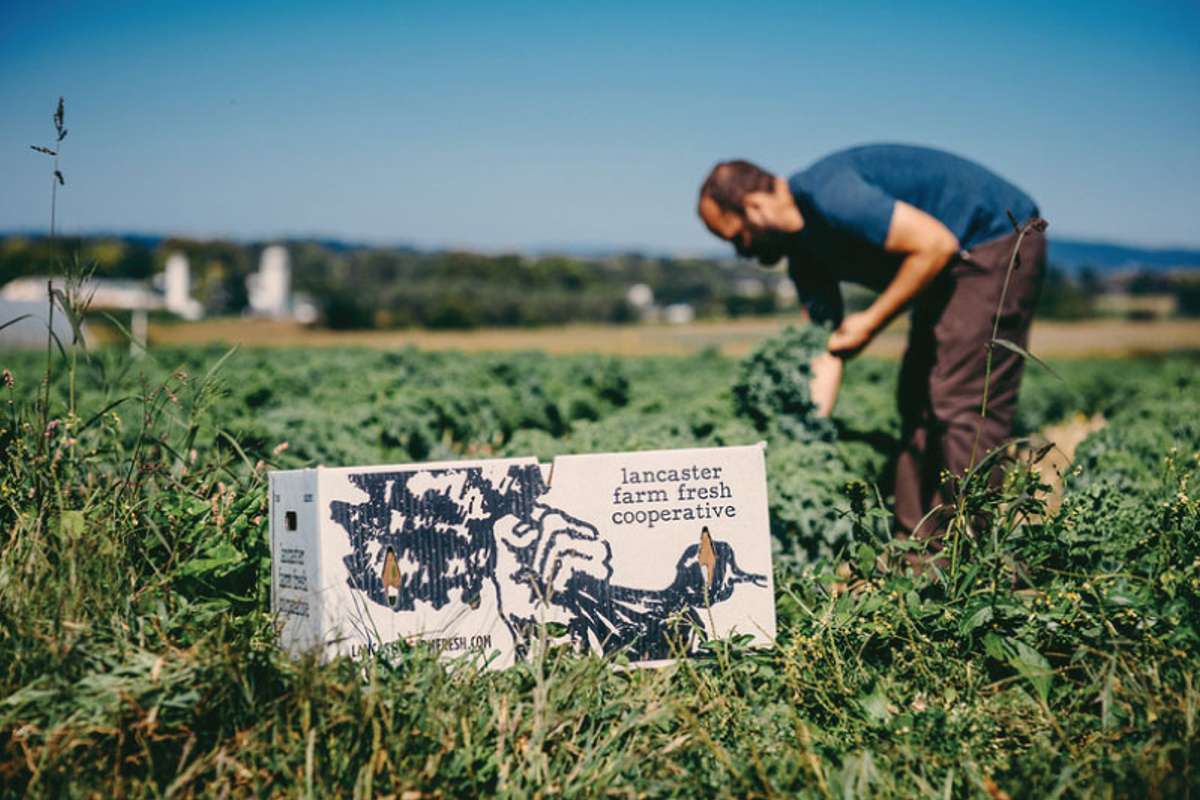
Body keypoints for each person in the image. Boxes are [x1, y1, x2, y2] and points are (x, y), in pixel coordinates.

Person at [697, 144, 1046, 556]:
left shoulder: (831, 195)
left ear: (754, 206)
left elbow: (935, 245)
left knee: (961, 399)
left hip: (992, 237)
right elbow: (826, 350)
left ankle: (976, 554)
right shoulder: (804, 258)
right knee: (915, 401)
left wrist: (870, 322)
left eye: (738, 237)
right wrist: (809, 432)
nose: (743, 253)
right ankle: (917, 548)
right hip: (949, 266)